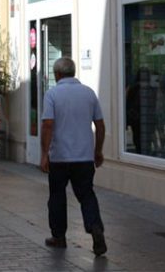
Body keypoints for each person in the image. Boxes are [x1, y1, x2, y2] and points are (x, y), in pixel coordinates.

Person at [40, 57, 107, 257]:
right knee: (86, 194)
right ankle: (95, 226)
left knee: (57, 196)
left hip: (60, 157)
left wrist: (44, 154)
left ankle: (59, 237)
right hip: (84, 157)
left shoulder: (52, 94)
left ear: (57, 74)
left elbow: (48, 124)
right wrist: (98, 150)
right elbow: (100, 125)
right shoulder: (88, 93)